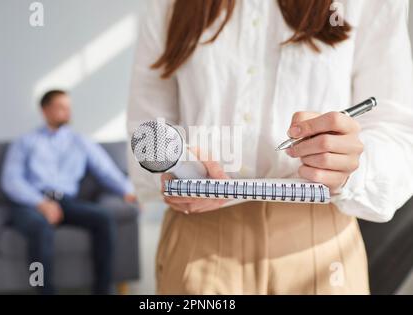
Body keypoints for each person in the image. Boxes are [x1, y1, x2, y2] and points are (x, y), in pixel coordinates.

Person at [127, 0, 413, 294]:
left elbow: (397, 130)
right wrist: (181, 162)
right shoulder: (168, 4)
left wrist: (350, 165)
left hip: (321, 246)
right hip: (198, 238)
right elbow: (146, 128)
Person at [1, 90, 136, 295]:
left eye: (68, 107)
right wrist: (41, 203)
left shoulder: (80, 141)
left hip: (66, 202)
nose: (67, 112)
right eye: (61, 107)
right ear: (45, 110)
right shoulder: (25, 142)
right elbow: (11, 180)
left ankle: (102, 290)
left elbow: (106, 170)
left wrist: (129, 191)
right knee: (40, 229)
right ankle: (43, 290)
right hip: (31, 203)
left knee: (104, 219)